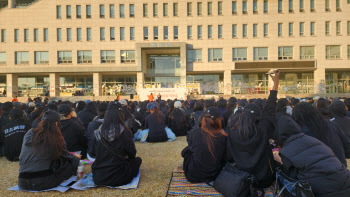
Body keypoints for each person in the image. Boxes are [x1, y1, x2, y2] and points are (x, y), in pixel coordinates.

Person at [226, 70, 280, 188]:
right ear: (258, 117)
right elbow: (270, 107)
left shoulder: (233, 130)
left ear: (242, 114)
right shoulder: (263, 130)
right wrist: (275, 82)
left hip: (241, 178)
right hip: (263, 179)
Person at [274, 116, 350, 197]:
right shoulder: (312, 139)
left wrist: (280, 160)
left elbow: (291, 179)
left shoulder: (286, 150)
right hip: (346, 184)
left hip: (323, 192)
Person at [18, 110, 80, 191]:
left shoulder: (29, 133)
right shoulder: (55, 136)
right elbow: (66, 156)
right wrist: (77, 159)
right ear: (56, 123)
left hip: (22, 182)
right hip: (43, 182)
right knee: (70, 164)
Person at [91, 102, 142, 186]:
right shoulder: (126, 132)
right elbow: (132, 154)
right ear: (121, 115)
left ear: (106, 115)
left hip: (99, 176)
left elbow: (93, 153)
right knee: (137, 160)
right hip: (121, 176)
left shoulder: (97, 132)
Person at [292, 102, 350, 166]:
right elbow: (347, 147)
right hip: (340, 168)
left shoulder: (301, 132)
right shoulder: (332, 125)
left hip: (317, 172)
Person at [182, 107, 227, 183]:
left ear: (203, 119)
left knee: (188, 151)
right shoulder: (223, 136)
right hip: (214, 176)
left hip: (193, 176)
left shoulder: (194, 133)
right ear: (219, 120)